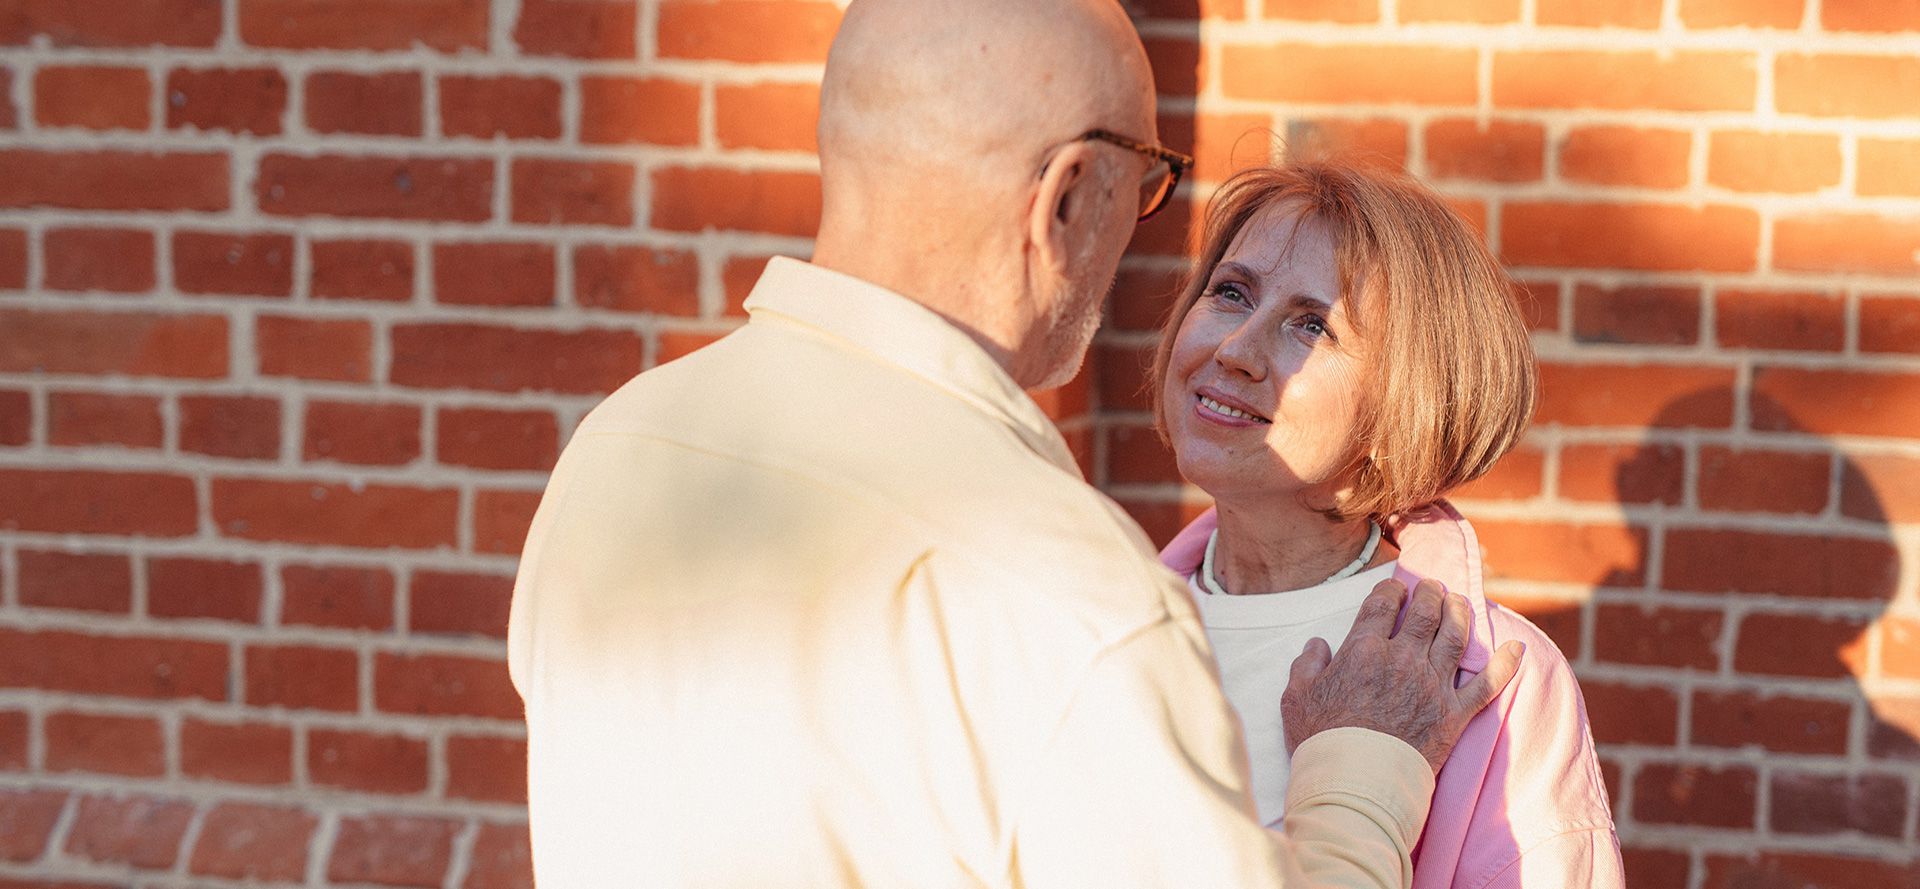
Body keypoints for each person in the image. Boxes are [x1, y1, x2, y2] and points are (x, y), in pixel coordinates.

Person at [507, 2, 1520, 886]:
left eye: (1312, 323)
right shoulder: (1058, 586)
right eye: (1150, 184)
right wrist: (1361, 776)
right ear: (1069, 197)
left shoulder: (622, 445)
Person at [1151, 162, 1624, 888]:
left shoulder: (1498, 677)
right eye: (1231, 292)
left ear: (1403, 407)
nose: (1234, 350)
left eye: (1312, 324)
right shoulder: (1096, 619)